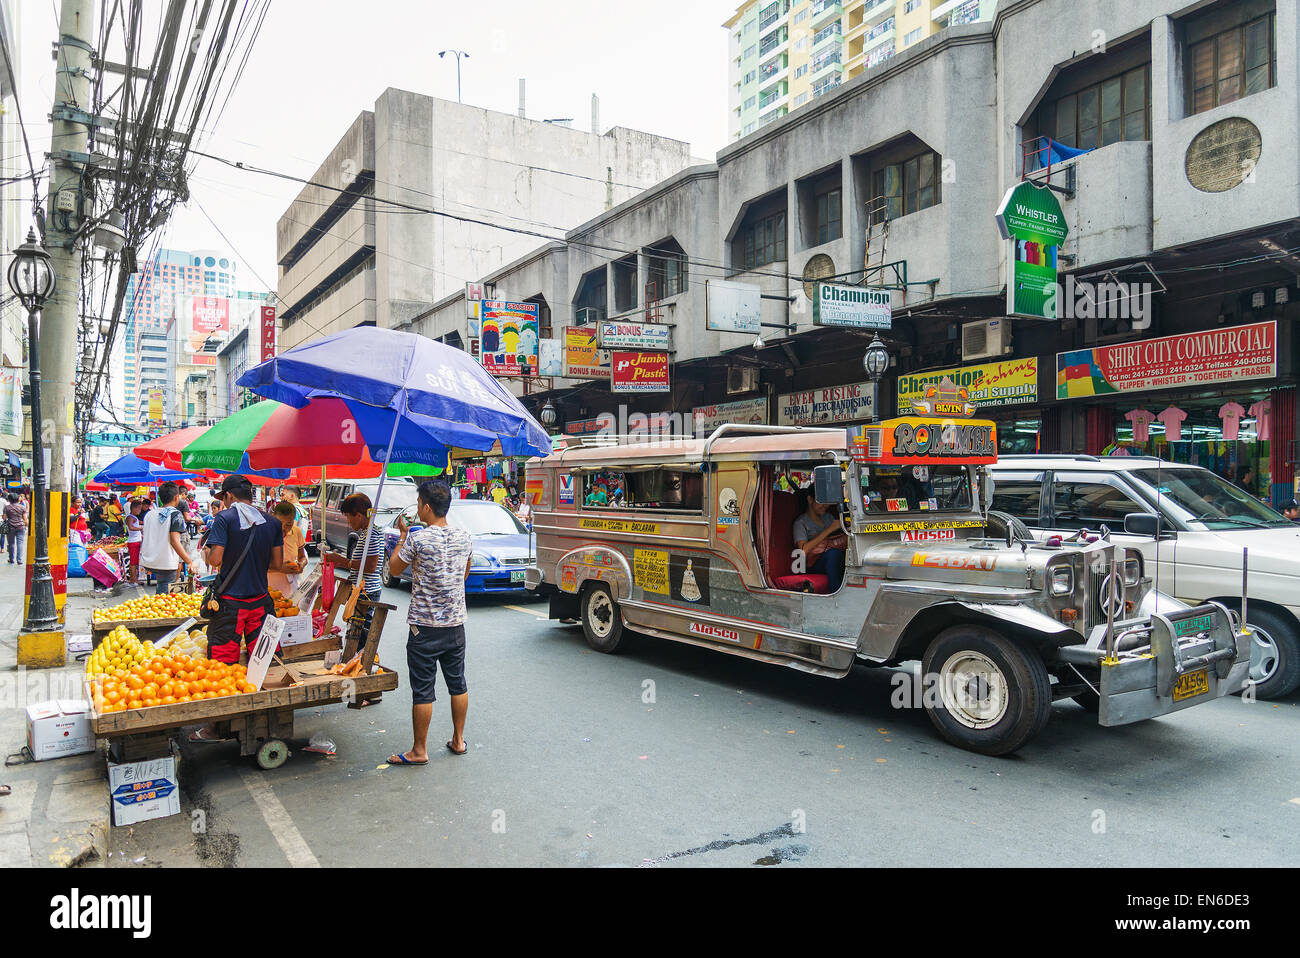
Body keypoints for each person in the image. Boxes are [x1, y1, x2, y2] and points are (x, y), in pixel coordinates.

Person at [385, 480, 473, 765]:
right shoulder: (464, 536)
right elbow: (464, 575)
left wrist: (401, 536)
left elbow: (394, 569)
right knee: (457, 684)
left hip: (424, 627)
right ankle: (459, 740)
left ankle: (419, 750)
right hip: (455, 625)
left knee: (423, 690)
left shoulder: (418, 538)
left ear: (425, 506)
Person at [200, 475, 284, 668]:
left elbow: (215, 560)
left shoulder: (224, 518)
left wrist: (207, 553)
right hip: (261, 602)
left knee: (224, 665)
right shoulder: (272, 522)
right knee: (265, 663)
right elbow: (277, 563)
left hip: (231, 606)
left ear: (229, 495)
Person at [323, 493, 386, 667]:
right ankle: (359, 666)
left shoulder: (371, 534)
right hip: (361, 590)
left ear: (358, 514)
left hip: (367, 593)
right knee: (356, 634)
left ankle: (365, 668)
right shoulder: (366, 534)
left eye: (349, 518)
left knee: (361, 636)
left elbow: (371, 566)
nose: (348, 522)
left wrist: (342, 561)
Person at [139, 481, 191, 595]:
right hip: (165, 563)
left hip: (149, 560)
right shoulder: (175, 514)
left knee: (161, 587)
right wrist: (189, 561)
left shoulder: (150, 514)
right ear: (177, 497)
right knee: (164, 595)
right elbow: (174, 541)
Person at [792, 490, 847, 593]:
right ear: (810, 500)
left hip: (832, 554)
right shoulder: (801, 523)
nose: (825, 505)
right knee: (834, 555)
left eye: (827, 502)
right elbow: (803, 550)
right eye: (821, 501)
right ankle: (836, 593)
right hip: (811, 563)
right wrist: (829, 530)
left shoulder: (828, 518)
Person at [268, 500, 307, 594]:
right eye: (280, 523)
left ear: (294, 521)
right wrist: (279, 568)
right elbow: (256, 563)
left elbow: (302, 557)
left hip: (291, 587)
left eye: (288, 525)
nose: (283, 527)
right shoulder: (265, 533)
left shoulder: (296, 532)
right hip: (268, 588)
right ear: (273, 517)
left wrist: (301, 565)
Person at [124, 498, 145, 584]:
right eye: (139, 509)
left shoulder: (134, 517)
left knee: (135, 561)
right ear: (134, 508)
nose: (140, 511)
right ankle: (133, 579)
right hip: (133, 542)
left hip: (136, 540)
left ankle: (134, 578)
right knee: (133, 562)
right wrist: (141, 528)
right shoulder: (130, 517)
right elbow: (131, 527)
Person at [3, 493, 26, 564]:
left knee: (11, 543)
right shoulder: (22, 507)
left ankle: (11, 559)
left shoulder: (7, 507)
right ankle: (19, 560)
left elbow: (4, 517)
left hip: (10, 527)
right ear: (17, 499)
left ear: (9, 499)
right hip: (21, 527)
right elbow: (25, 518)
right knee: (20, 543)